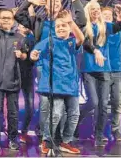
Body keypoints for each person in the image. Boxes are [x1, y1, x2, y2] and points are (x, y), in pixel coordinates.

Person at [15, 0, 85, 143]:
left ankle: (59, 137)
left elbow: (82, 23)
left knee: (63, 106)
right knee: (46, 105)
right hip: (43, 65)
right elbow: (18, 15)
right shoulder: (39, 21)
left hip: (64, 68)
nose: (55, 4)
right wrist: (30, 1)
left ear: (60, 5)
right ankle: (45, 137)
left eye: (58, 2)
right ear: (45, 5)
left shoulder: (65, 21)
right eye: (51, 2)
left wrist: (76, 3)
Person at [77, 0, 121, 147]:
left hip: (105, 71)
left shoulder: (106, 27)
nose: (96, 11)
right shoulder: (85, 26)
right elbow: (86, 40)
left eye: (98, 9)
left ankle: (98, 134)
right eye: (94, 9)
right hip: (89, 70)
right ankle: (74, 121)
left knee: (103, 105)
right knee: (93, 103)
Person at [30, 10, 84, 154]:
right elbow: (34, 53)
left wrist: (71, 21)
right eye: (58, 26)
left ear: (69, 28)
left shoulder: (72, 42)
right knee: (56, 114)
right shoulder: (49, 41)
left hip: (71, 85)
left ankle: (65, 142)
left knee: (74, 115)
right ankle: (46, 140)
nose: (60, 28)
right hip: (56, 85)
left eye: (64, 26)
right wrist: (34, 55)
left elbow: (81, 38)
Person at [0, 9, 28, 151]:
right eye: (3, 18)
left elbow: (26, 56)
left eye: (9, 18)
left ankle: (13, 138)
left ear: (13, 20)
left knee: (13, 112)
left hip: (13, 79)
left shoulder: (20, 37)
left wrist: (21, 55)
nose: (6, 20)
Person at [101, 5, 121, 141]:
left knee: (117, 102)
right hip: (103, 71)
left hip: (117, 71)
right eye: (104, 15)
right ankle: (101, 131)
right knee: (103, 103)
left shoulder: (118, 30)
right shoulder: (98, 30)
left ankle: (116, 130)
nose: (107, 17)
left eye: (109, 15)